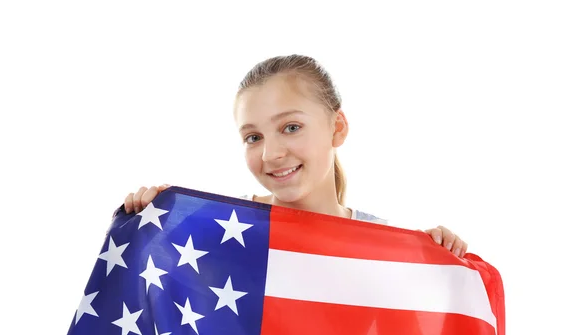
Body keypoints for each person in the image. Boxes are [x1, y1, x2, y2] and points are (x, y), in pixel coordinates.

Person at [122, 54, 468, 258]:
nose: (271, 154)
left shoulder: (384, 250)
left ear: (338, 127)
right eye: (253, 137)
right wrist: (152, 222)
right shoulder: (221, 232)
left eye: (290, 127)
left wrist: (442, 266)